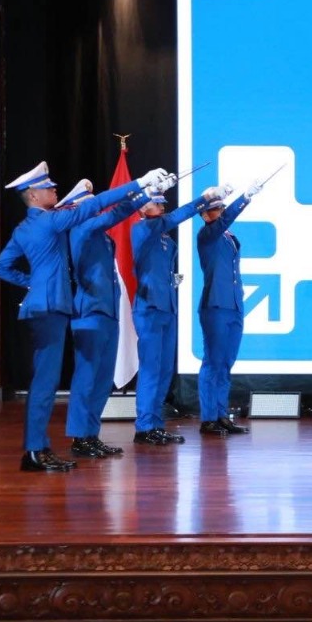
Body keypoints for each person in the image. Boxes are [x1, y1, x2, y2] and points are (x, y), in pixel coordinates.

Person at [0, 161, 167, 472]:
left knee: (45, 382)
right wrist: (140, 183)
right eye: (48, 188)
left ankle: (39, 448)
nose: (54, 190)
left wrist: (33, 284)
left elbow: (2, 267)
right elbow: (97, 206)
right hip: (50, 307)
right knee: (45, 383)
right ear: (33, 195)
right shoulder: (50, 221)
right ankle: (34, 451)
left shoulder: (24, 228)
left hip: (43, 305)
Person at [57, 179, 151, 458]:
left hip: (107, 311)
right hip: (89, 312)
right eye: (90, 205)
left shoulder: (102, 235)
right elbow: (115, 214)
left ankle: (91, 434)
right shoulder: (81, 228)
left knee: (102, 378)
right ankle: (79, 436)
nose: (96, 209)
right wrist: (143, 193)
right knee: (86, 378)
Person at [131, 183, 218, 445]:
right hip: (149, 308)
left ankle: (155, 423)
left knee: (165, 368)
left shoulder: (164, 236)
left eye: (162, 203)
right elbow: (176, 217)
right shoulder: (142, 229)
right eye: (156, 203)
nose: (161, 207)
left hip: (167, 306)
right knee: (150, 368)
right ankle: (144, 426)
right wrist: (202, 200)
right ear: (142, 207)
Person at [197, 180, 264, 437]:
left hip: (234, 303)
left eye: (222, 207)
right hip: (215, 304)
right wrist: (245, 196)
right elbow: (223, 222)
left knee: (226, 362)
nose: (222, 212)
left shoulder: (228, 236)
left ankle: (221, 414)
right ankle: (208, 418)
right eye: (216, 209)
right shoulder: (207, 234)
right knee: (213, 361)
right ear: (205, 215)